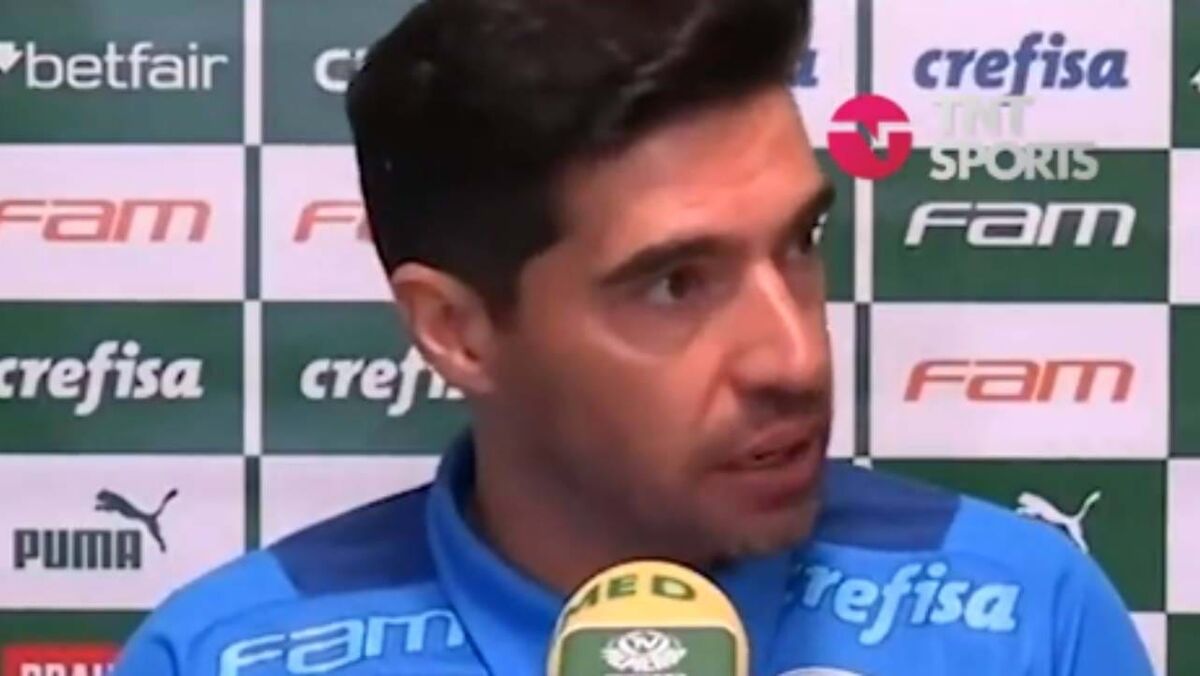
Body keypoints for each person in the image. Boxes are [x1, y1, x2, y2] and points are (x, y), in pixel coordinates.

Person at [114, 0, 1153, 674]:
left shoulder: (1024, 617)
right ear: (457, 331)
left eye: (800, 242)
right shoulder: (223, 655)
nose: (795, 359)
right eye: (674, 284)